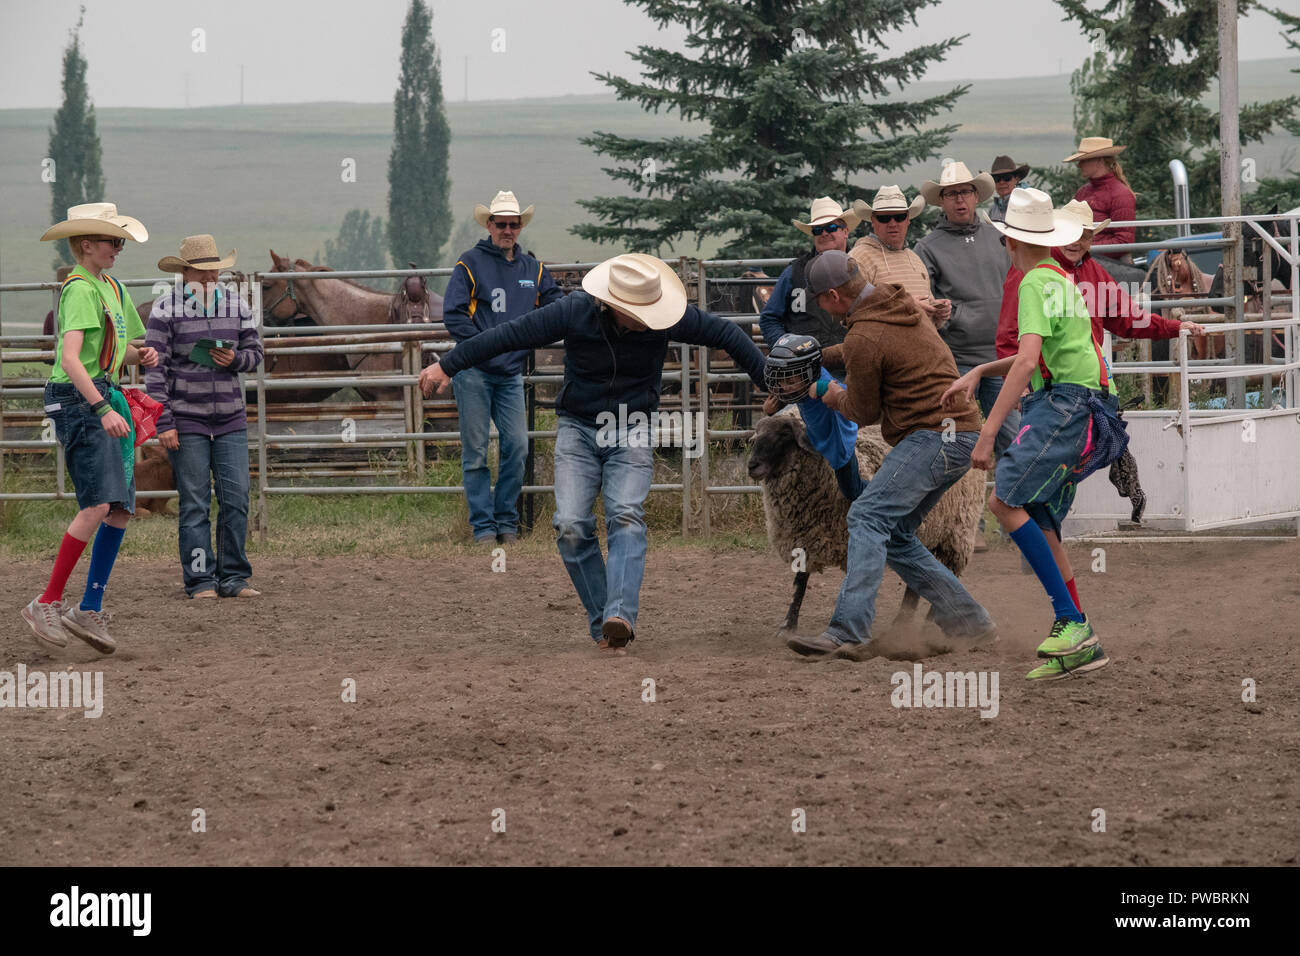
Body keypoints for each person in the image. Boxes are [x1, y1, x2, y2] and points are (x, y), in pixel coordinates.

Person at [420, 254, 768, 650]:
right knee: (570, 525)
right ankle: (605, 619)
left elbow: (727, 334)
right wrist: (448, 365)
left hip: (633, 426)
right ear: (615, 305)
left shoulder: (666, 317)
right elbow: (508, 335)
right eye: (639, 312)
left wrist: (767, 382)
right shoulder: (573, 311)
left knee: (625, 515)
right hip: (578, 428)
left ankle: (618, 615)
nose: (648, 320)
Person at [784, 251, 996, 657]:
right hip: (957, 433)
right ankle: (971, 622)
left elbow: (861, 411)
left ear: (832, 296)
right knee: (895, 534)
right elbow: (862, 348)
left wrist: (823, 392)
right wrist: (816, 357)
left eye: (819, 300)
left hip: (931, 436)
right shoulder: (894, 303)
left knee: (867, 515)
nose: (820, 308)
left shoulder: (866, 335)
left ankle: (848, 630)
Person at [942, 188, 1111, 681]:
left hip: (1063, 404)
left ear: (1011, 242)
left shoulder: (1033, 282)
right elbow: (1032, 356)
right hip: (1085, 401)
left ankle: (1071, 622)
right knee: (1038, 515)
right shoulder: (1058, 276)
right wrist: (979, 373)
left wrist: (986, 433)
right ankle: (1081, 638)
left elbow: (1030, 360)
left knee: (1003, 500)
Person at [994, 201, 1205, 523]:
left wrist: (1174, 327)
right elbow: (1011, 337)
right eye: (1073, 233)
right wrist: (1023, 391)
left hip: (1077, 394)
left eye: (1086, 234)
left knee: (1049, 485)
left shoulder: (1086, 273)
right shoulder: (1033, 275)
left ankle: (1038, 549)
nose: (1078, 241)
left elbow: (1127, 319)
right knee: (1035, 486)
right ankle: (1039, 547)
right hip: (1054, 394)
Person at [22, 203, 159, 654]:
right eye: (111, 241)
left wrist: (141, 356)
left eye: (119, 241)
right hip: (82, 399)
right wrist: (102, 407)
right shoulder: (79, 289)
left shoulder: (111, 288)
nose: (118, 248)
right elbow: (68, 359)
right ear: (86, 245)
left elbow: (116, 349)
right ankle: (46, 601)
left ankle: (88, 606)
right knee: (99, 504)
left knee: (118, 507)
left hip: (98, 393)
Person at [145, 235, 264, 599]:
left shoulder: (236, 305)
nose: (210, 278)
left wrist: (237, 361)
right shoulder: (165, 310)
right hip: (187, 418)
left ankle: (234, 576)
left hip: (230, 416)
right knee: (194, 501)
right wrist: (163, 422)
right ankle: (200, 579)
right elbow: (155, 370)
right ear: (185, 273)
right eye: (202, 272)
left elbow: (255, 351)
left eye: (214, 271)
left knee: (236, 497)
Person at [443, 190, 563, 545]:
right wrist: (486, 348)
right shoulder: (468, 264)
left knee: (518, 447)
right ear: (490, 225)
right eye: (501, 224)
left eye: (513, 224)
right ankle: (484, 527)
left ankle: (505, 520)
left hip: (510, 374)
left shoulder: (534, 270)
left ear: (520, 227)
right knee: (476, 450)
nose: (507, 229)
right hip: (474, 373)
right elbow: (454, 316)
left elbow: (556, 306)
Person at [757, 197, 862, 500]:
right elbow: (770, 318)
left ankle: (861, 506)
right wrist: (788, 354)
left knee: (858, 447)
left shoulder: (859, 270)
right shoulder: (795, 273)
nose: (826, 234)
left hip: (855, 370)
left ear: (845, 231)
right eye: (818, 230)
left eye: (832, 227)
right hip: (806, 379)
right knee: (808, 452)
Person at [914, 161, 1020, 460]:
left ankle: (1018, 499)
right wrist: (946, 316)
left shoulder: (999, 237)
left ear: (976, 196)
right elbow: (925, 299)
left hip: (1000, 358)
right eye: (951, 194)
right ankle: (955, 501)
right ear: (942, 201)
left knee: (1012, 438)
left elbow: (1017, 283)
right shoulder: (927, 248)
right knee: (953, 437)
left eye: (965, 192)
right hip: (955, 360)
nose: (960, 200)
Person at [847, 185, 950, 324]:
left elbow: (925, 311)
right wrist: (905, 306)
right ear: (873, 221)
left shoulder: (915, 259)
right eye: (885, 218)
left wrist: (938, 313)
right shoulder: (859, 258)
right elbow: (852, 310)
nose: (892, 223)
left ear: (908, 219)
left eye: (899, 217)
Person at [1064, 136, 1136, 258]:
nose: (1079, 165)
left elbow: (1124, 242)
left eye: (1084, 160)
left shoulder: (1120, 195)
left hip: (1106, 262)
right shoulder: (1083, 191)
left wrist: (1083, 248)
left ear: (1099, 161)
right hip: (1083, 257)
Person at [987, 155, 1031, 223]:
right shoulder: (993, 210)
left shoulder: (1027, 204)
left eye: (1007, 178)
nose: (1001, 182)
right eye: (997, 179)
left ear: (1017, 179)